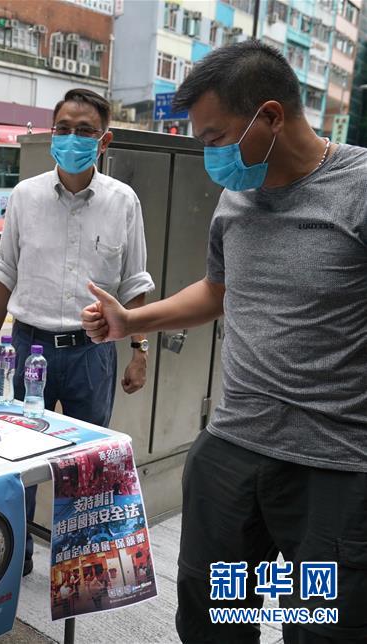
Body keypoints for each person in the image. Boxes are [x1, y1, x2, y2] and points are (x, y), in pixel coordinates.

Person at [81, 41, 367, 643]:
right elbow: (217, 290)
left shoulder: (359, 190)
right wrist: (132, 322)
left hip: (333, 469)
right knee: (214, 623)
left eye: (215, 138)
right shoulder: (238, 195)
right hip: (232, 450)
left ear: (269, 116)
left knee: (319, 628)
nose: (208, 155)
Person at [0, 88, 155, 575]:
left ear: (104, 139)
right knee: (18, 460)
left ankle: (78, 563)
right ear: (51, 133)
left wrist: (139, 350)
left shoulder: (124, 202)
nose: (71, 139)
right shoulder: (26, 196)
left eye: (83, 131)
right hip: (26, 344)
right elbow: (4, 270)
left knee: (86, 466)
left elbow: (136, 281)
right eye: (63, 129)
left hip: (91, 353)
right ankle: (14, 560)